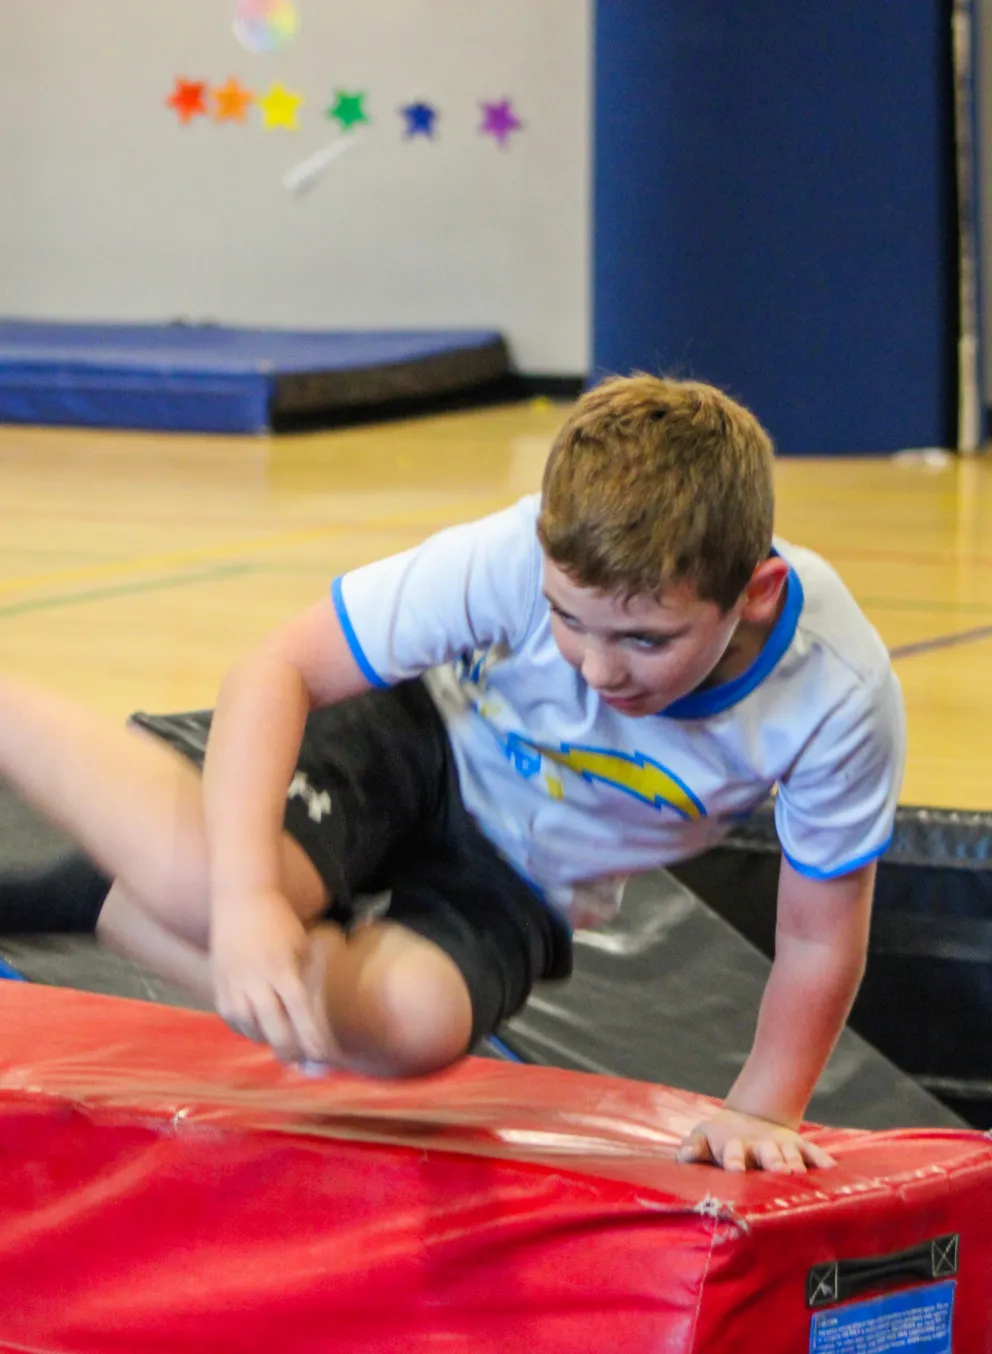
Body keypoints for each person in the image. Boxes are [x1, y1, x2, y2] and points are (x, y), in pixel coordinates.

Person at [0, 374, 905, 1174]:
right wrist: (242, 902)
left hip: (531, 869)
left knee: (401, 1031)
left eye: (645, 639)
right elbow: (278, 668)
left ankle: (110, 901)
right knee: (212, 889)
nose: (598, 670)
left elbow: (818, 935)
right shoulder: (513, 552)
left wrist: (762, 1109)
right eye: (568, 621)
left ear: (757, 593)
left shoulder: (836, 694)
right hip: (416, 735)